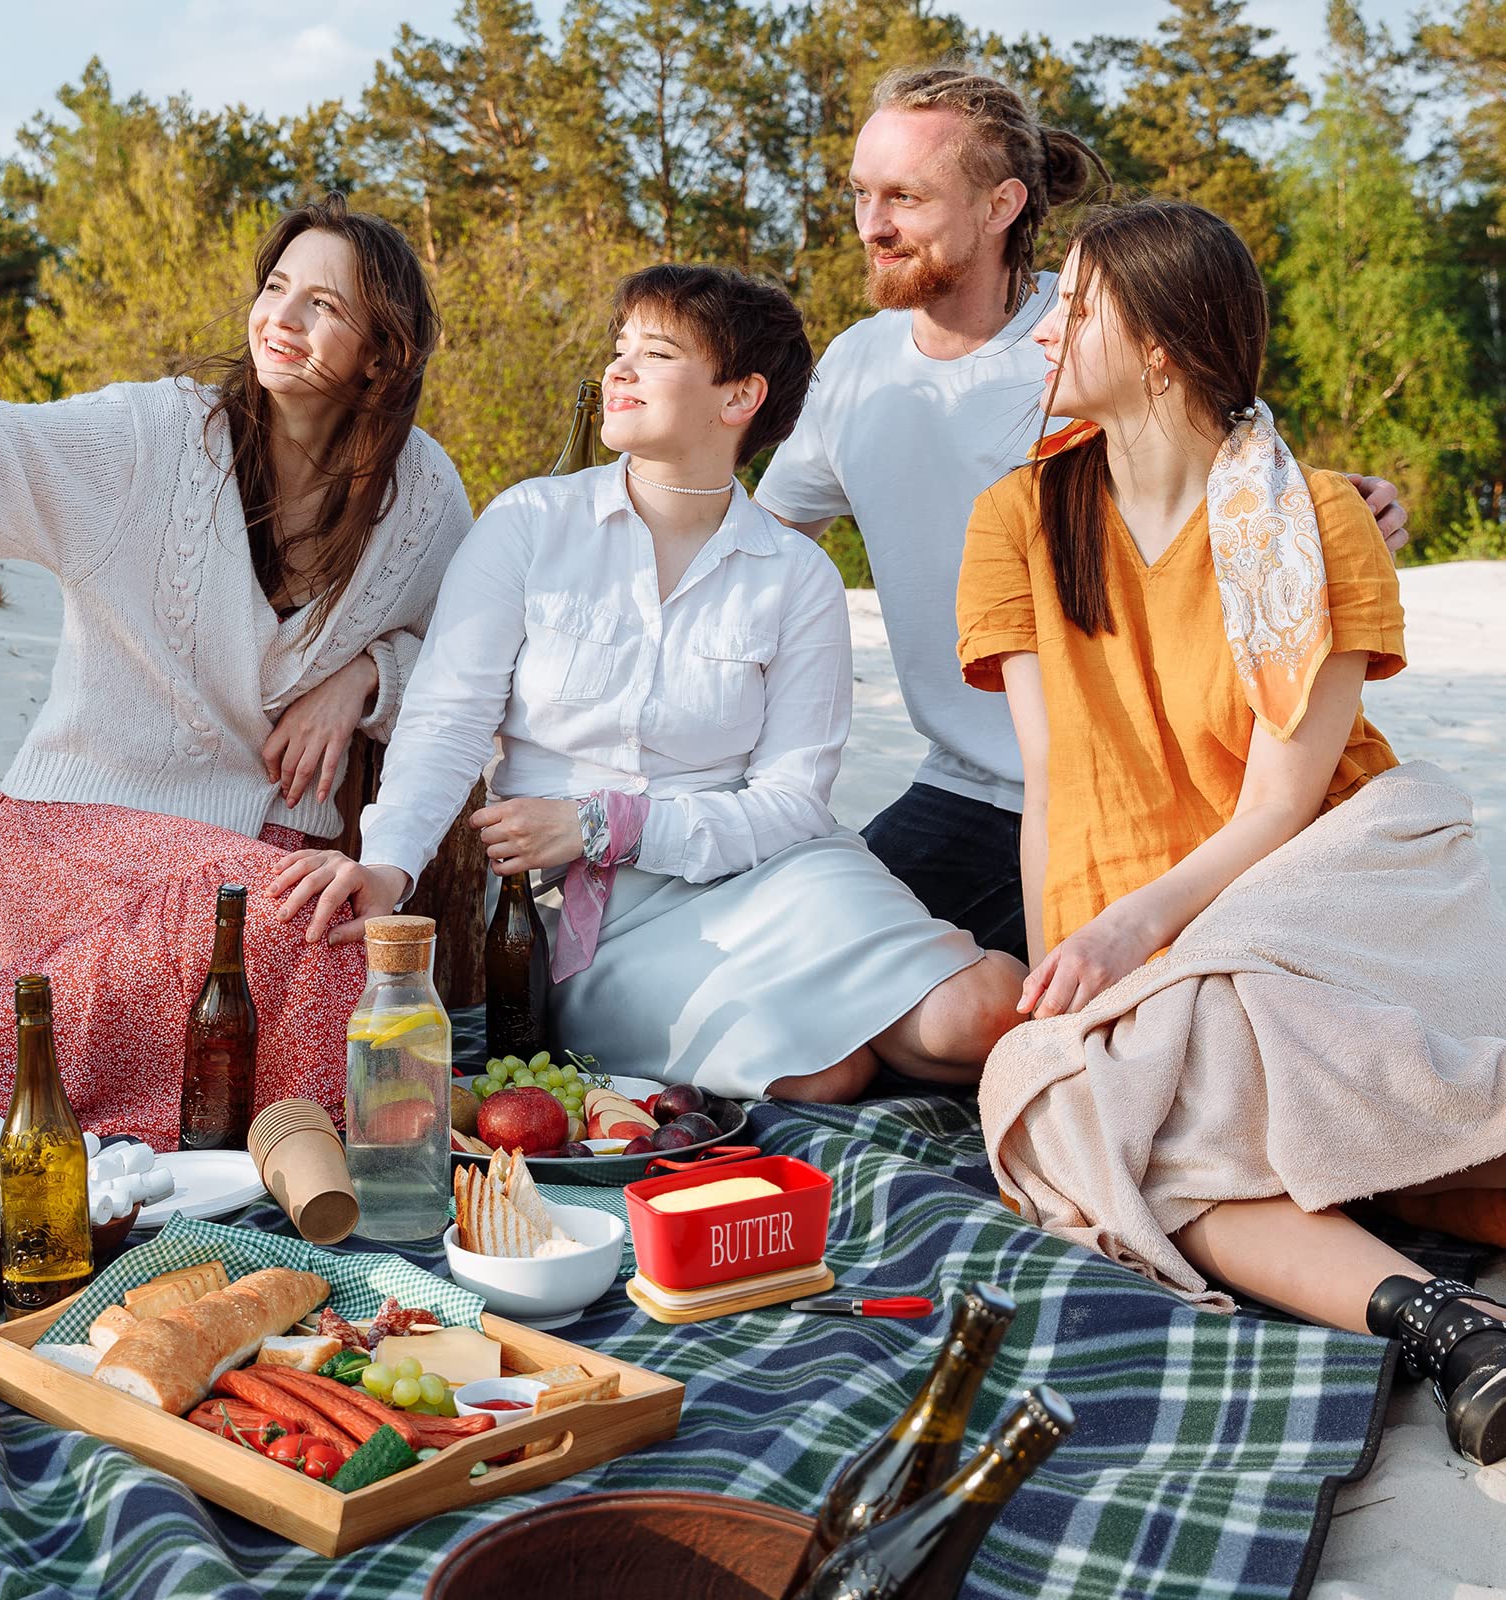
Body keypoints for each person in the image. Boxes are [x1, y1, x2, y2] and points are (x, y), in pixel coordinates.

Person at [957, 197, 1506, 1464]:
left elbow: (1281, 804)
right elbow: (1052, 782)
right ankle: (1448, 1328)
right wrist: (1066, 991)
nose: (1045, 334)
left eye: (1076, 306)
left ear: (1157, 342)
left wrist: (1132, 942)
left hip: (1332, 880)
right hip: (1150, 925)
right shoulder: (1017, 521)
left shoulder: (1307, 516)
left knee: (1207, 1068)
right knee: (1070, 1104)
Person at [270, 264, 1025, 1104]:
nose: (618, 370)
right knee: (822, 1073)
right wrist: (388, 868)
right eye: (620, 348)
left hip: (773, 875)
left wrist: (604, 824)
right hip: (586, 920)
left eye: (656, 353)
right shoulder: (529, 523)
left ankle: (1058, 1010)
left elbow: (791, 802)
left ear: (738, 397)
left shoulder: (796, 576)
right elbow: (446, 722)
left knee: (981, 1014)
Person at [755, 63, 1410, 959]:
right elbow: (762, 550)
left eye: (904, 196)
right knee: (821, 981)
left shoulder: (1097, 337)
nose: (873, 223)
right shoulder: (855, 369)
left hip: (1159, 785)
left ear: (1000, 205)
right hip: (967, 785)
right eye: (862, 193)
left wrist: (1336, 504)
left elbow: (1226, 464)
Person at [0, 194, 472, 1146]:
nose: (279, 319)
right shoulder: (152, 439)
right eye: (275, 287)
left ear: (384, 351)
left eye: (322, 306)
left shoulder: (421, 496)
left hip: (272, 874)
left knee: (348, 975)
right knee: (321, 961)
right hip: (82, 837)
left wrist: (368, 676)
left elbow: (473, 666)